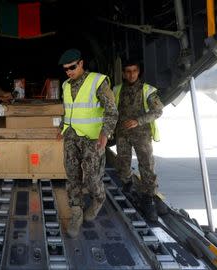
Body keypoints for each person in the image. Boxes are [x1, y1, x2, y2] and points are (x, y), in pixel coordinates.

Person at [58, 49, 118, 238]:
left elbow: (111, 110)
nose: (69, 72)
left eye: (72, 67)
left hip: (92, 139)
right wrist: (62, 128)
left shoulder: (98, 81)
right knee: (72, 176)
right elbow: (68, 110)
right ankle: (76, 212)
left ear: (81, 63)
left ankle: (98, 199)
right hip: (71, 137)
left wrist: (105, 132)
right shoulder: (66, 85)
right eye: (66, 69)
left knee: (92, 178)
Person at [113, 60, 163, 221]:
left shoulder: (147, 90)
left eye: (134, 70)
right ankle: (127, 186)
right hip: (122, 134)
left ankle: (149, 197)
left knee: (146, 165)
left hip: (141, 134)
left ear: (138, 71)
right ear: (123, 73)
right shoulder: (117, 90)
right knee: (123, 162)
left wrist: (138, 121)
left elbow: (157, 111)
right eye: (128, 71)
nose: (131, 74)